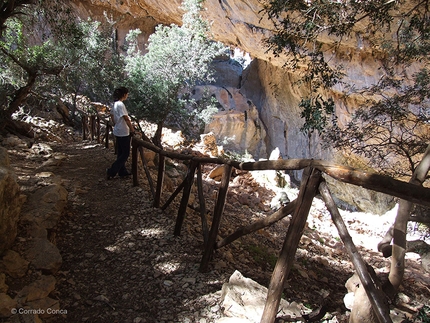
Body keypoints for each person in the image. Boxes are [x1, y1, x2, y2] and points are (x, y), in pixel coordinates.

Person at [106, 86, 136, 180]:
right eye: (127, 94)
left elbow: (111, 115)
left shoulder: (115, 104)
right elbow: (126, 118)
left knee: (120, 152)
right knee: (125, 153)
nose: (127, 95)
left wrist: (116, 123)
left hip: (118, 130)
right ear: (124, 94)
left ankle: (122, 171)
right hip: (123, 132)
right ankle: (112, 170)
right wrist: (132, 130)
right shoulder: (120, 104)